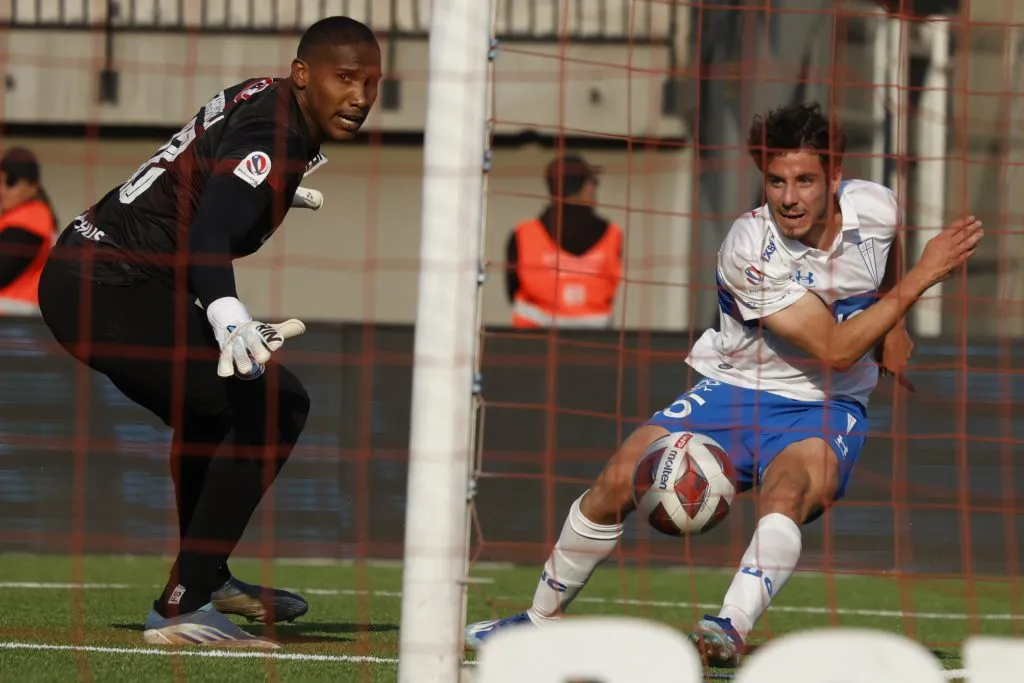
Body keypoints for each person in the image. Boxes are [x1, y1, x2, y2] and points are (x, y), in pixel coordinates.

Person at [465, 102, 984, 665]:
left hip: (827, 402)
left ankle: (728, 627)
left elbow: (886, 258)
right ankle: (538, 619)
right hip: (736, 387)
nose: (789, 198)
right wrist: (923, 277)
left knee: (787, 491)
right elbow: (836, 349)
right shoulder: (749, 247)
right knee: (617, 477)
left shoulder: (876, 206)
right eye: (776, 181)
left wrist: (894, 324)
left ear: (835, 177)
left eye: (805, 181)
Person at [36, 16, 381, 648]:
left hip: (88, 273)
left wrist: (270, 191)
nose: (360, 97)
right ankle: (183, 604)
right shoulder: (274, 136)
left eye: (371, 83)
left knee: (215, 414)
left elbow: (208, 162)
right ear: (303, 75)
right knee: (277, 405)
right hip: (108, 286)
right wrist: (228, 316)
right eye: (346, 79)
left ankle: (205, 577)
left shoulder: (265, 94)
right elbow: (209, 232)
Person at [506, 154, 622, 329]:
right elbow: (612, 289)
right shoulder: (613, 235)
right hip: (595, 339)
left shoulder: (522, 234)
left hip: (533, 338)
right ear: (586, 188)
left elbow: (512, 290)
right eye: (593, 182)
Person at [0, 147, 57, 314]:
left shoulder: (33, 217)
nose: (2, 189)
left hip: (15, 315)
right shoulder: (25, 215)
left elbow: (3, 272)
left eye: (11, 182)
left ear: (33, 186)